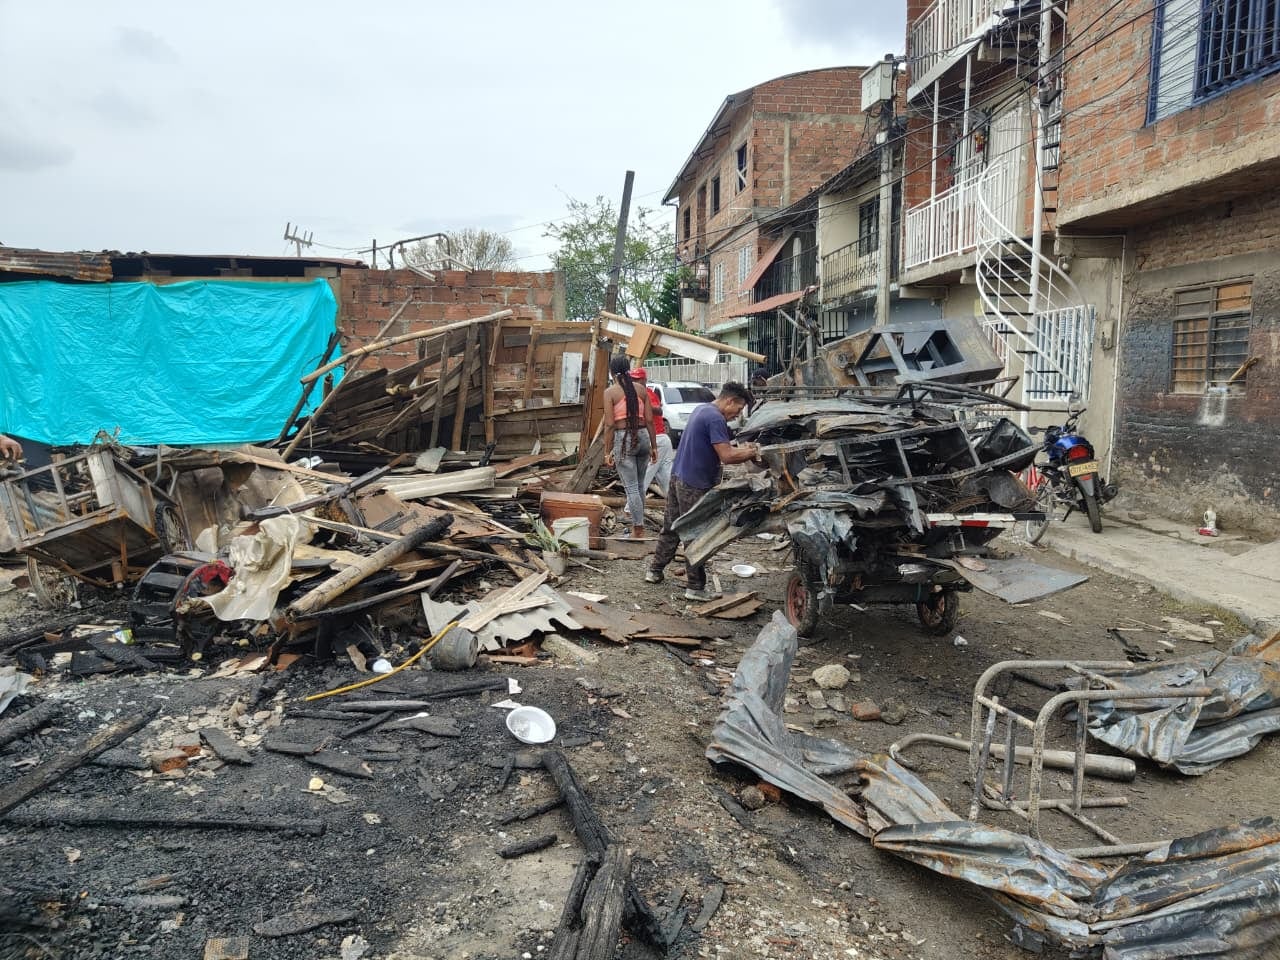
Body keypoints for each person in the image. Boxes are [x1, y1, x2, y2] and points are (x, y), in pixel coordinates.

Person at [646, 381, 759, 601]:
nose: (737, 414)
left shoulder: (702, 409)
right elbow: (726, 455)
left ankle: (654, 571)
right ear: (730, 400)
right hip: (694, 483)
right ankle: (695, 587)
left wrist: (741, 448)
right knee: (696, 535)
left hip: (679, 477)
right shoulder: (715, 417)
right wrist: (751, 452)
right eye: (738, 409)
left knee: (671, 527)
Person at [601, 354, 657, 541]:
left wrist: (607, 451)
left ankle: (638, 530)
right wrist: (654, 446)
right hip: (642, 437)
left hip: (623, 439)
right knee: (640, 485)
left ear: (611, 372)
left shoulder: (610, 393)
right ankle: (638, 523)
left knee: (631, 488)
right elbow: (649, 420)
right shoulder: (641, 390)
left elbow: (609, 425)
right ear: (628, 369)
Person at [630, 366, 673, 501]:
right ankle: (675, 503)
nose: (634, 382)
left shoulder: (646, 394)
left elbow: (659, 411)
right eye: (632, 379)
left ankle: (630, 509)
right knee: (665, 475)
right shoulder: (635, 394)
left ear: (644, 380)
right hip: (658, 439)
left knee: (644, 474)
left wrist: (644, 405)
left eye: (637, 379)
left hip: (657, 438)